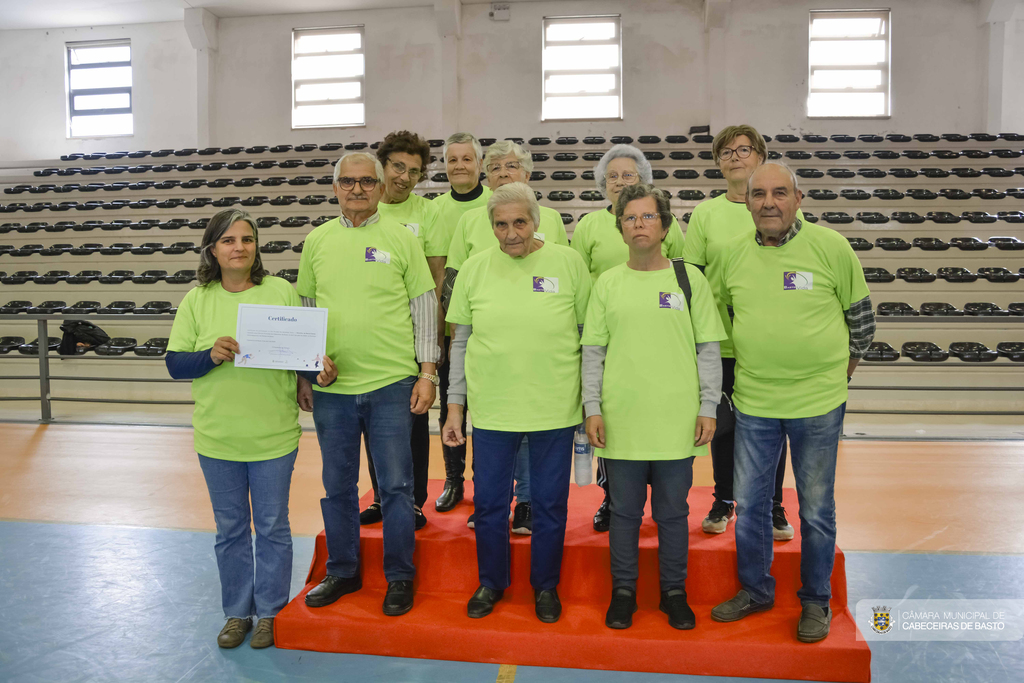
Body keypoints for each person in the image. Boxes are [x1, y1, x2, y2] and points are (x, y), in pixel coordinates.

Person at [710, 162, 874, 644]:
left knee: (816, 508)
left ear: (798, 199)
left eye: (780, 193)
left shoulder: (831, 247)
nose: (768, 203)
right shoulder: (733, 256)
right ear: (746, 202)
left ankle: (815, 600)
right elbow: (728, 317)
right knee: (753, 504)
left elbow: (861, 324)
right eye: (759, 194)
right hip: (755, 400)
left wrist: (834, 378)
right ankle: (756, 591)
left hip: (819, 403)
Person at [166, 209, 337, 649]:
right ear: (212, 249)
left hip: (273, 435)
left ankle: (270, 613)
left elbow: (301, 350)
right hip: (217, 437)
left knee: (273, 526)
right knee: (231, 531)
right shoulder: (197, 299)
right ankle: (237, 613)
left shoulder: (281, 290)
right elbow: (174, 363)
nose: (238, 247)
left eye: (246, 239)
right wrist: (210, 354)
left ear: (257, 246)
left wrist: (313, 372)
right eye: (228, 240)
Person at [441, 182, 591, 624]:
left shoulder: (569, 263)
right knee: (488, 504)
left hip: (555, 408)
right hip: (493, 410)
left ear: (537, 221)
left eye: (519, 222)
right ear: (491, 227)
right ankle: (491, 582)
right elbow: (461, 343)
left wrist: (590, 404)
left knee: (549, 505)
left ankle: (545, 586)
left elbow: (589, 339)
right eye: (501, 225)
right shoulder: (473, 268)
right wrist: (455, 407)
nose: (510, 234)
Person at [298, 152, 439, 617]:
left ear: (380, 187)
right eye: (347, 182)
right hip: (332, 392)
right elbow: (306, 308)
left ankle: (399, 576)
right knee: (337, 486)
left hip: (392, 385)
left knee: (397, 487)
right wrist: (307, 367)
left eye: (365, 182)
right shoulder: (316, 240)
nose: (356, 189)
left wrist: (426, 372)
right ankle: (342, 570)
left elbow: (423, 307)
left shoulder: (401, 238)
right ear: (335, 187)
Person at [582, 184, 725, 631]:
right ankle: (623, 592)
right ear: (620, 228)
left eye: (647, 217)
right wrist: (592, 407)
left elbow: (708, 349)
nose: (638, 224)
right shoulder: (607, 282)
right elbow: (593, 353)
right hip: (621, 421)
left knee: (672, 513)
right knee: (623, 513)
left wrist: (708, 406)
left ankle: (673, 592)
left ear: (664, 226)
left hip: (676, 421)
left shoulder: (689, 280)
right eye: (630, 218)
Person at [682, 125, 804, 541]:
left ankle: (772, 505)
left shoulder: (785, 210)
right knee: (723, 425)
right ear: (718, 163)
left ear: (760, 157)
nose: (735, 156)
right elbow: (693, 279)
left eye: (744, 149)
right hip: (720, 340)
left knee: (773, 424)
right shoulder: (705, 214)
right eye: (726, 151)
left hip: (767, 338)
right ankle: (724, 499)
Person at [443, 139, 570, 534]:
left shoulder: (550, 218)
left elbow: (562, 280)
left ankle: (528, 503)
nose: (502, 173)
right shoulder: (470, 220)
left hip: (539, 354)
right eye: (494, 167)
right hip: (488, 342)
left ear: (527, 174)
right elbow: (453, 280)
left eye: (510, 166)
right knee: (491, 430)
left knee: (532, 437)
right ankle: (490, 500)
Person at [569, 143, 686, 532]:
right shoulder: (587, 227)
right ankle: (612, 499)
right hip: (607, 327)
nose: (620, 181)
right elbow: (579, 281)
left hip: (654, 327)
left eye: (628, 175)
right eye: (613, 176)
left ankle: (661, 503)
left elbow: (682, 271)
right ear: (603, 184)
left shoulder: (663, 223)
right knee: (613, 424)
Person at [358, 130, 445, 530]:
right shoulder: (364, 210)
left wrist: (433, 340)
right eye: (398, 167)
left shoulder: (428, 214)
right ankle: (381, 495)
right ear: (382, 166)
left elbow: (436, 276)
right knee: (374, 422)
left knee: (411, 420)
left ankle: (411, 500)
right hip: (373, 335)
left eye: (414, 171)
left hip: (414, 335)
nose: (405, 177)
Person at [432, 133, 492, 514]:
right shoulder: (436, 209)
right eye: (452, 159)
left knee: (486, 409)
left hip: (493, 331)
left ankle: (488, 483)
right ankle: (454, 480)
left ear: (480, 164)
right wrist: (440, 332)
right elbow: (439, 276)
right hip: (455, 328)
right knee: (451, 407)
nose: (459, 166)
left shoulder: (497, 204)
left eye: (467, 158)